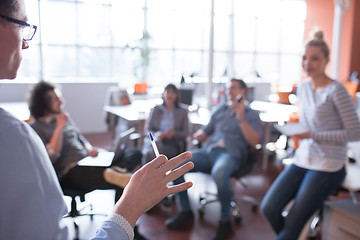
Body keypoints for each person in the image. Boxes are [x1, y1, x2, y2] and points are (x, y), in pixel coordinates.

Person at [0, 1, 194, 239]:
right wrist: (130, 209)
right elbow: (50, 157)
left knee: (130, 155)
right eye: (23, 26)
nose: (25, 42)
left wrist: (90, 147)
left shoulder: (52, 123)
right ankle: (124, 186)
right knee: (123, 174)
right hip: (72, 169)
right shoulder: (25, 132)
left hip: (87, 158)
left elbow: (79, 139)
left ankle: (120, 174)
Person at [260, 31, 360, 240]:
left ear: (326, 60)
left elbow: (355, 132)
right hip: (304, 157)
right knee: (269, 207)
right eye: (305, 58)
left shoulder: (336, 90)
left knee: (295, 221)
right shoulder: (303, 87)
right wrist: (297, 130)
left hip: (329, 164)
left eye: (315, 58)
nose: (308, 63)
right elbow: (308, 123)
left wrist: (313, 135)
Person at [165, 78, 262, 240]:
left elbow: (254, 141)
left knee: (219, 172)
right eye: (228, 88)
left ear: (243, 91)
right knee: (177, 166)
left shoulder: (251, 114)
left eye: (233, 88)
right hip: (210, 151)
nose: (229, 91)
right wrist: (200, 134)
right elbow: (207, 130)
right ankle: (186, 211)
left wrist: (240, 117)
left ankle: (225, 221)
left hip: (231, 154)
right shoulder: (221, 110)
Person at [28, 80, 137, 201]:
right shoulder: (36, 128)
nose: (61, 102)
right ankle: (116, 173)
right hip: (70, 171)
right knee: (121, 179)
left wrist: (90, 149)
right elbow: (51, 157)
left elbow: (82, 139)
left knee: (134, 153)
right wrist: (59, 128)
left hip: (88, 161)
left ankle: (115, 172)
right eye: (56, 99)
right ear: (44, 103)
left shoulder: (65, 119)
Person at [142, 83, 189, 164]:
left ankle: (150, 174)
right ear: (163, 94)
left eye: (172, 92)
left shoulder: (183, 111)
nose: (170, 95)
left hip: (172, 143)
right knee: (154, 146)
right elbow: (147, 130)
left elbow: (186, 133)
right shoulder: (156, 109)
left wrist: (174, 133)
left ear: (176, 95)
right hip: (156, 140)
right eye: (167, 92)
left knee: (151, 152)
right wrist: (156, 134)